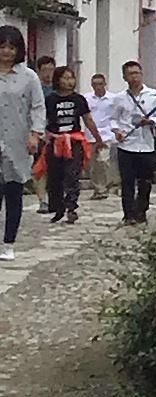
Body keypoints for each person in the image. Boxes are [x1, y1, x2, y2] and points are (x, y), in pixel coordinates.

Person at [95, 60, 156, 225]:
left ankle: (141, 211)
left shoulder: (153, 96)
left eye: (137, 73)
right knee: (127, 181)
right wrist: (117, 131)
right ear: (125, 77)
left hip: (146, 144)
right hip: (126, 144)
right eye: (130, 74)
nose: (134, 77)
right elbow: (113, 119)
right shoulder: (120, 98)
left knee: (145, 181)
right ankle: (128, 214)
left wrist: (151, 122)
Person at [36, 61, 95, 224]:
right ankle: (57, 207)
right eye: (65, 78)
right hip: (55, 141)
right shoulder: (50, 99)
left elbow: (87, 119)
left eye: (71, 78)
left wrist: (97, 138)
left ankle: (71, 207)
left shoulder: (79, 99)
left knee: (72, 174)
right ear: (58, 80)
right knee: (54, 176)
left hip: (74, 141)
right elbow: (42, 118)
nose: (69, 81)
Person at [0, 28, 40, 257]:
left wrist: (35, 134)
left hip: (17, 141)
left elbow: (37, 107)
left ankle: (8, 243)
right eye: (3, 46)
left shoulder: (28, 77)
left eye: (11, 47)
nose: (6, 52)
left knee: (13, 192)